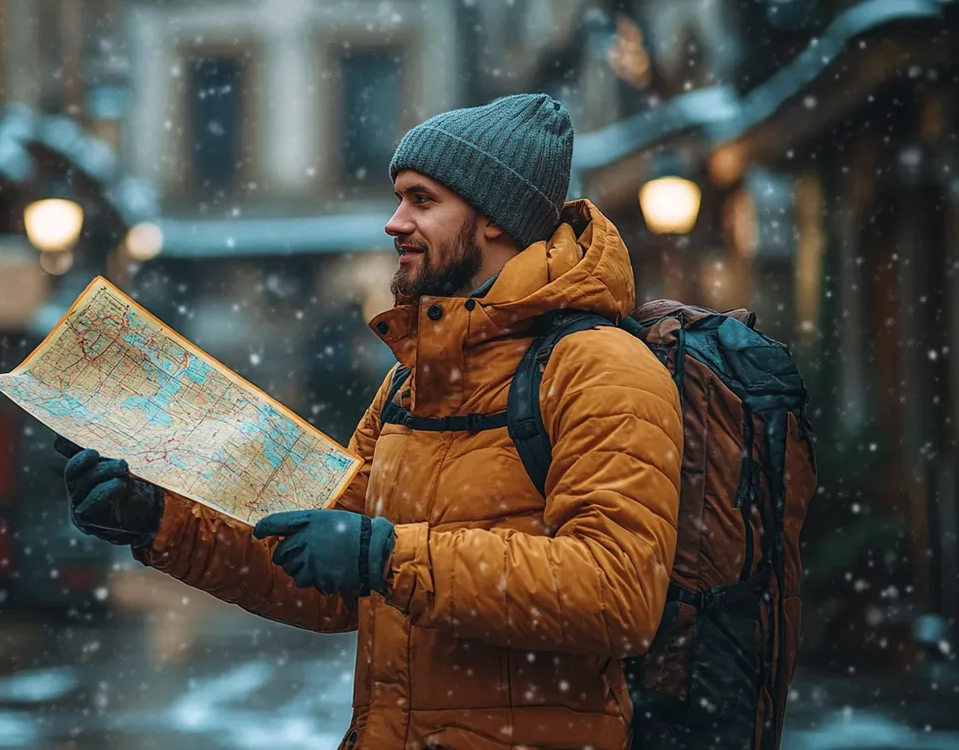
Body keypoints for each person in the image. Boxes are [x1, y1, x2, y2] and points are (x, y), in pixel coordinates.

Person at [55, 93, 683, 750]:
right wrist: (160, 518)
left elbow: (619, 593)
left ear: (494, 216)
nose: (394, 222)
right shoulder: (415, 379)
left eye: (422, 199)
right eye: (399, 198)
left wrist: (387, 556)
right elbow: (325, 578)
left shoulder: (602, 366)